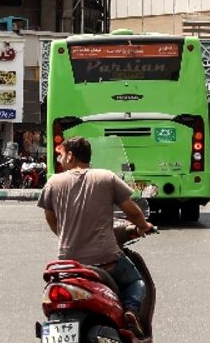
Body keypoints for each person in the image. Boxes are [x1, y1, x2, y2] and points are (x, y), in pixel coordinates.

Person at [39, 137, 154, 337]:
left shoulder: (54, 182)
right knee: (136, 282)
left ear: (70, 155)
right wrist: (143, 226)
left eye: (61, 155)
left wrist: (66, 236)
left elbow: (51, 218)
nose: (60, 159)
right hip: (105, 261)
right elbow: (132, 211)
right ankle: (130, 310)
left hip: (68, 263)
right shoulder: (106, 177)